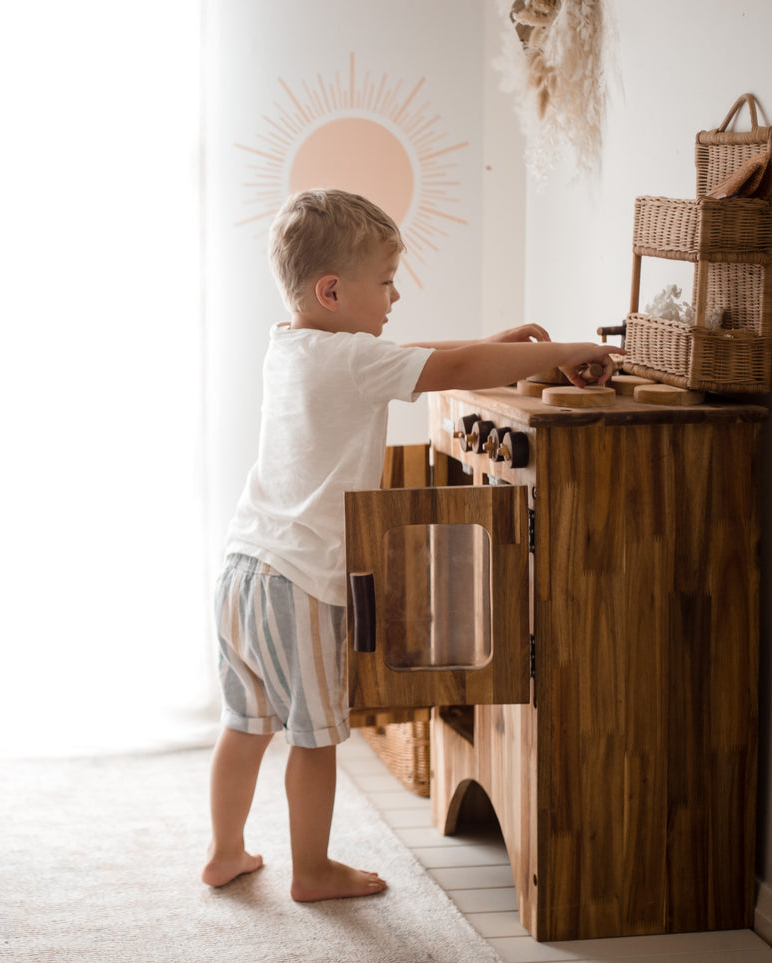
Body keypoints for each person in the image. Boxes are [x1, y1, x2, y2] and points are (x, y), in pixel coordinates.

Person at [203, 188, 619, 901]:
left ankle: (224, 851)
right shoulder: (352, 361)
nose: (395, 296)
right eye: (386, 281)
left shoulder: (295, 344)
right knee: (313, 736)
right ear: (332, 290)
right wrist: (571, 350)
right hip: (300, 584)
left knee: (244, 724)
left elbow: (413, 355)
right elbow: (441, 371)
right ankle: (312, 870)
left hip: (243, 568)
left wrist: (498, 344)